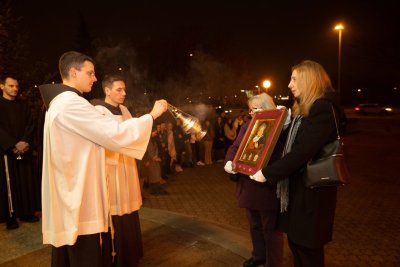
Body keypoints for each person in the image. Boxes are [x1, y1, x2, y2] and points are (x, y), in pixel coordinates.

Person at [39, 51, 167, 267]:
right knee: (84, 253)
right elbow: (114, 133)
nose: (94, 78)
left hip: (71, 188)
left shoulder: (61, 103)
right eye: (90, 73)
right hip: (78, 192)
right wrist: (152, 115)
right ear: (73, 71)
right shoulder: (71, 104)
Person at [250, 60, 344, 267]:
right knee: (297, 245)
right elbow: (289, 142)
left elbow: (302, 152)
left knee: (307, 251)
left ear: (308, 80)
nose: (290, 84)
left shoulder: (322, 108)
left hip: (313, 193)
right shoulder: (305, 110)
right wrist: (268, 121)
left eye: (294, 79)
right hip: (299, 191)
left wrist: (267, 173)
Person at [224, 93, 289, 267]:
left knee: (271, 229)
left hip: (266, 185)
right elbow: (235, 146)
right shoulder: (247, 126)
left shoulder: (279, 127)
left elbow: (281, 155)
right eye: (250, 110)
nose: (251, 113)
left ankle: (273, 262)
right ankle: (259, 255)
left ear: (267, 108)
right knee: (254, 225)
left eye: (255, 109)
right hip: (248, 184)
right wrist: (229, 160)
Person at [90, 74, 144, 266]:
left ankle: (130, 252)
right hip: (110, 169)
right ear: (107, 90)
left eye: (124, 89)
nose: (124, 93)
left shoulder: (123, 109)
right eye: (119, 90)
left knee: (129, 209)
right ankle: (115, 253)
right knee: (115, 209)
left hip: (127, 166)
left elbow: (134, 134)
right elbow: (112, 138)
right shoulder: (98, 110)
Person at [0, 75, 40, 230]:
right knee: (9, 184)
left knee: (26, 182)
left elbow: (30, 124)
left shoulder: (23, 105)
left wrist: (24, 142)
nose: (15, 89)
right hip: (5, 151)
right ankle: (10, 216)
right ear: (2, 86)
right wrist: (12, 144)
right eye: (11, 86)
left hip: (24, 149)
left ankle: (27, 212)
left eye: (16, 86)